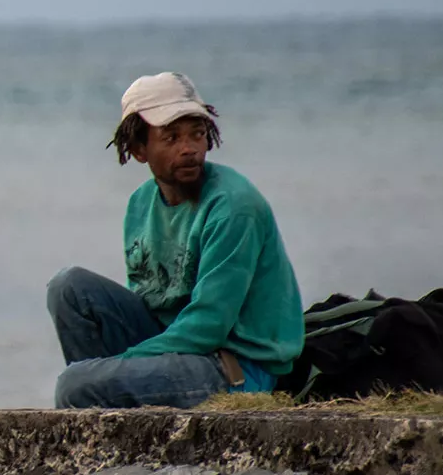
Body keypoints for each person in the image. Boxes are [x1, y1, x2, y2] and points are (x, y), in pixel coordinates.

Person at [48, 72, 304, 409]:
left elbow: (209, 326)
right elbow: (147, 297)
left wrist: (121, 364)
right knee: (68, 287)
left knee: (75, 385)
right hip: (173, 343)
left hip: (231, 366)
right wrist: (122, 366)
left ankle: (100, 399)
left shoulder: (233, 206)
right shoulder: (140, 203)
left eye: (197, 135)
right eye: (171, 138)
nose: (189, 150)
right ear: (139, 149)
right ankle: (109, 416)